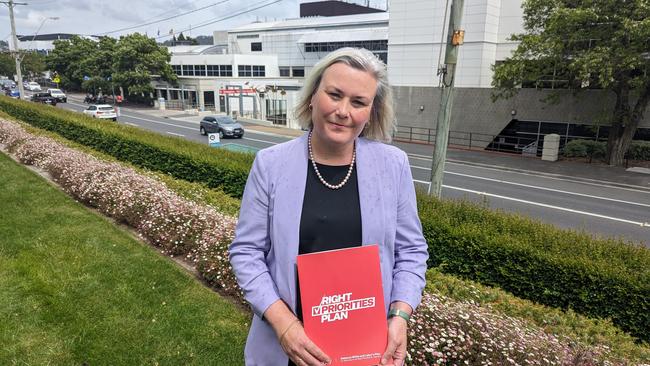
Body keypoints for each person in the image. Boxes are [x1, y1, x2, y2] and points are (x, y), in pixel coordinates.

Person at [229, 48, 428, 366]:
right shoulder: (271, 165)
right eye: (334, 95)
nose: (343, 111)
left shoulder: (393, 165)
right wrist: (285, 326)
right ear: (312, 97)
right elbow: (246, 253)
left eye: (358, 102)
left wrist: (399, 316)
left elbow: (412, 252)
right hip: (287, 349)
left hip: (368, 351)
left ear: (371, 112)